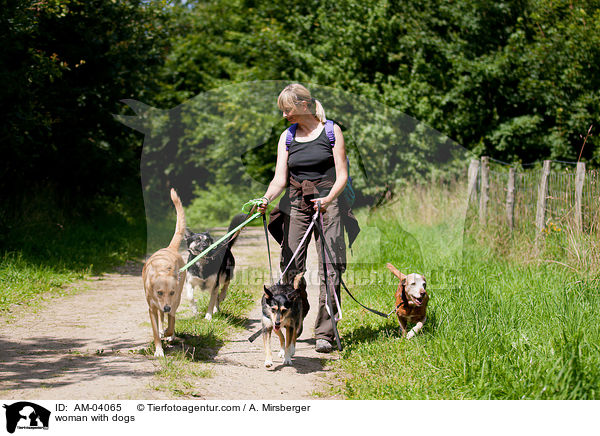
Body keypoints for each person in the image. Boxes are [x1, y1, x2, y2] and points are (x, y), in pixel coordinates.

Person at [258, 83, 359, 353]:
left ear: (304, 105)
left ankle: (325, 332)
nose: (284, 116)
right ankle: (294, 315)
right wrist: (266, 199)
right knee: (291, 267)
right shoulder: (287, 137)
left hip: (330, 201)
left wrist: (328, 200)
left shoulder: (331, 131)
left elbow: (342, 175)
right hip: (296, 202)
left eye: (287, 110)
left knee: (331, 267)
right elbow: (280, 178)